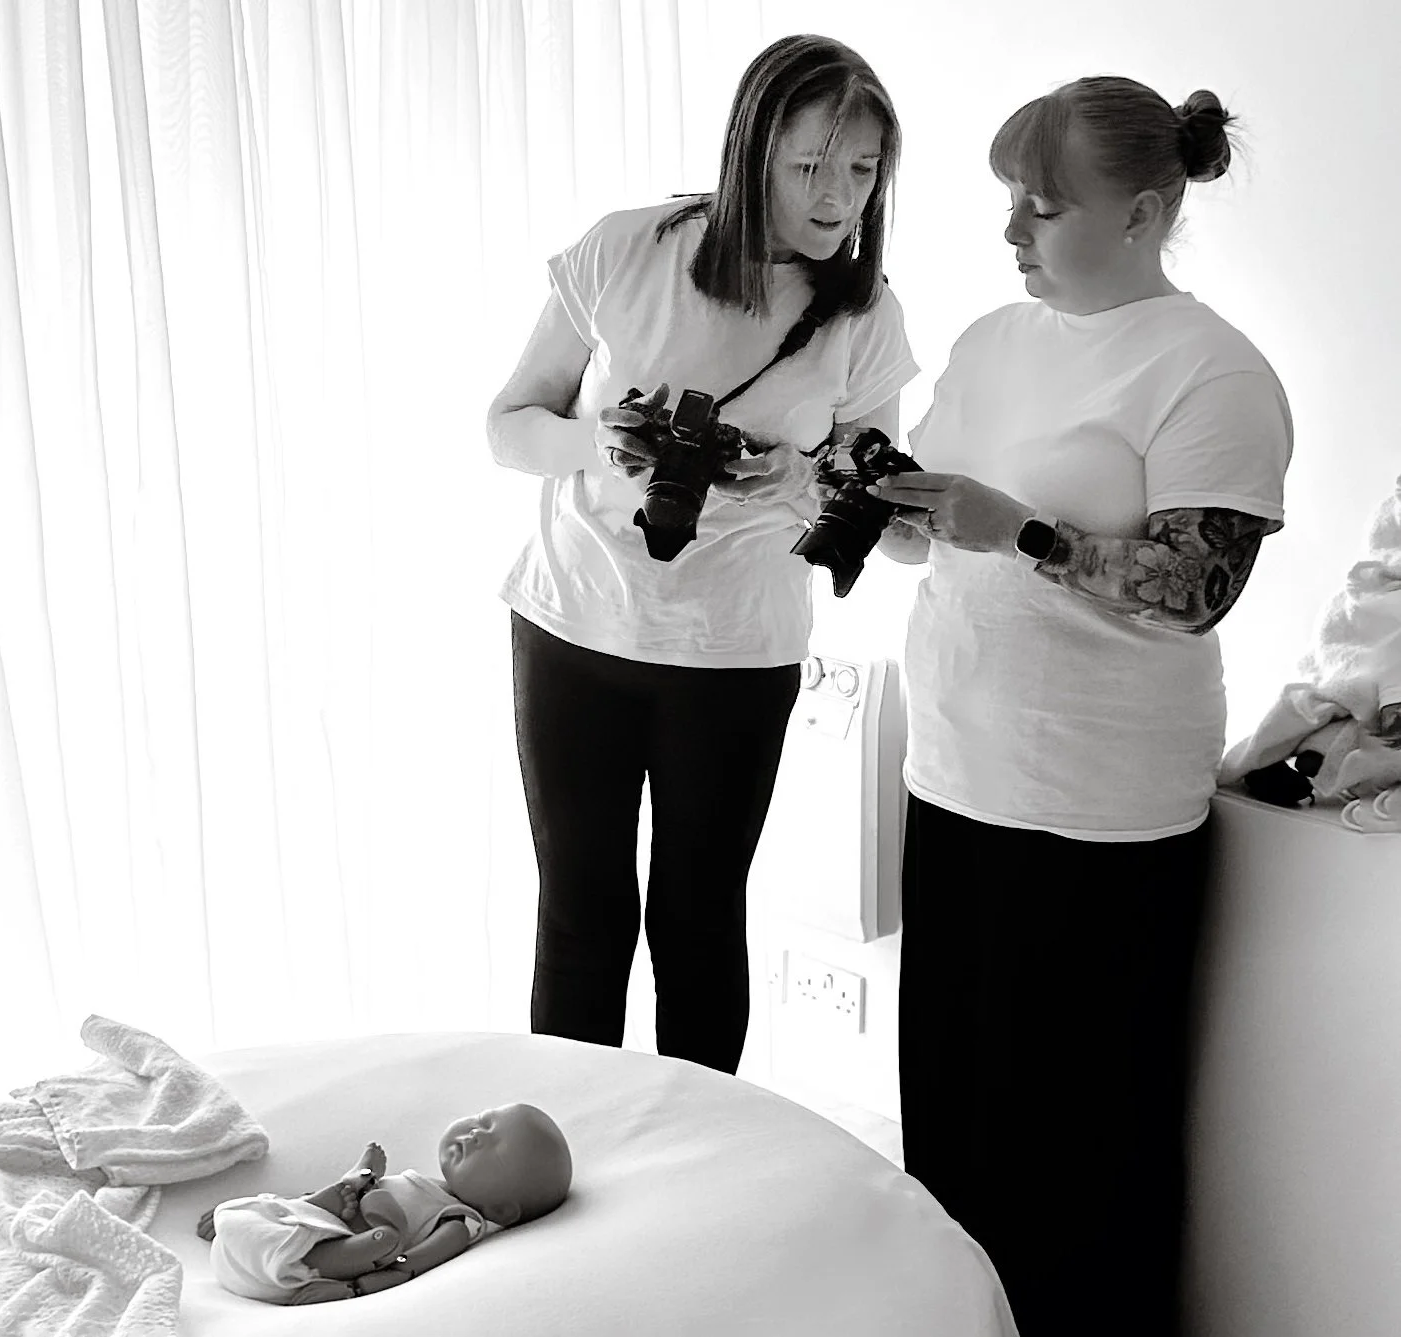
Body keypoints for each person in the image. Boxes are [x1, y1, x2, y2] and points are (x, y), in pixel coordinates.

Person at [866, 77, 1293, 1336]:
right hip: (952, 774)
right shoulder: (994, 340)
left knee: (1076, 1145)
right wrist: (877, 493)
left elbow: (1194, 585)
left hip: (1100, 816)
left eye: (1041, 210)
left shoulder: (1212, 370)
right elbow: (924, 540)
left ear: (1145, 213)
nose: (1011, 235)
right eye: (1008, 204)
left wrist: (1028, 534)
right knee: (949, 1120)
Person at [486, 34, 918, 1076]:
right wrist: (603, 445)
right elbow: (507, 424)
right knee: (581, 915)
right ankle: (562, 1157)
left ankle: (693, 1175)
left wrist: (798, 480)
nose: (836, 198)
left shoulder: (860, 316)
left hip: (734, 652)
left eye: (859, 170)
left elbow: (888, 513)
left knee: (697, 920)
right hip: (573, 625)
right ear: (750, 152)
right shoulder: (626, 251)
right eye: (809, 166)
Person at [196, 1104, 573, 1304]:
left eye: (495, 1148)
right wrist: (284, 1206)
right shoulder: (421, 1183)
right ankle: (270, 1213)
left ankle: (374, 1233)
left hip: (300, 1268)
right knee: (260, 1213)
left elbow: (414, 1264)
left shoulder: (457, 1222)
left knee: (377, 1232)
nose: (475, 1134)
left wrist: (357, 1288)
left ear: (504, 1211)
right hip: (282, 1237)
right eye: (483, 1120)